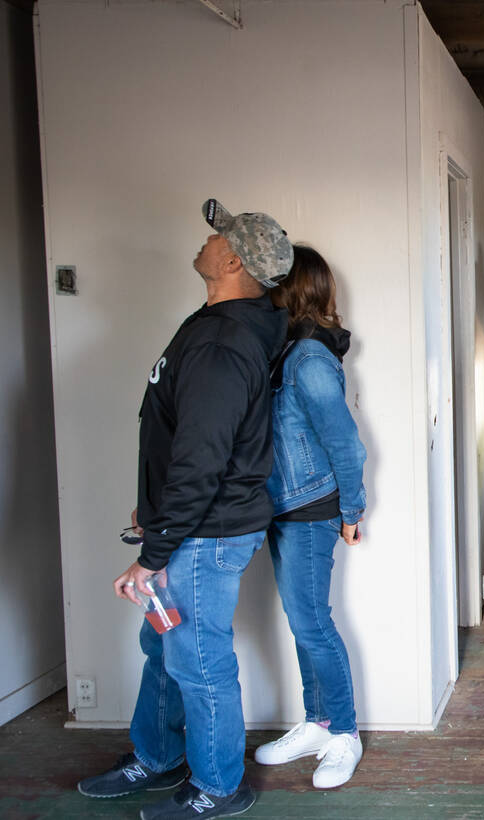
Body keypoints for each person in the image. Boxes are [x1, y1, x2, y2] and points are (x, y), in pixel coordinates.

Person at [78, 199, 291, 820]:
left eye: (217, 235)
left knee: (197, 661)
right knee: (165, 649)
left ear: (231, 259)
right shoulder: (216, 323)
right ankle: (158, 753)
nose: (207, 239)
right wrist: (154, 515)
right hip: (190, 528)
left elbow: (203, 457)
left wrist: (155, 553)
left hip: (205, 535)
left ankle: (220, 787)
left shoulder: (224, 341)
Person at [251, 246, 368, 789]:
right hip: (283, 505)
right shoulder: (287, 352)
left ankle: (343, 732)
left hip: (310, 508)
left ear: (290, 289)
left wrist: (351, 509)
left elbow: (347, 444)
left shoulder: (309, 361)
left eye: (272, 280)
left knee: (313, 624)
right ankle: (318, 722)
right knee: (305, 624)